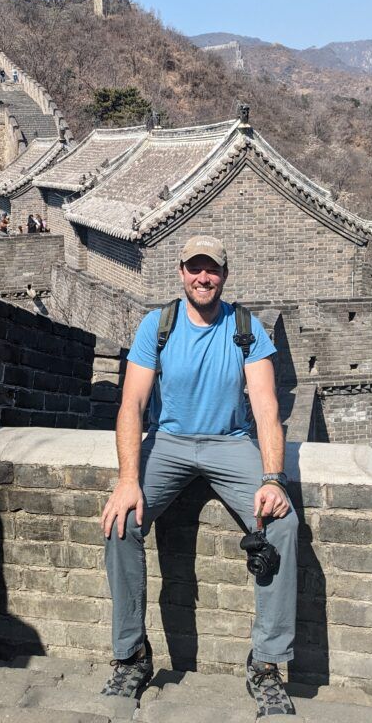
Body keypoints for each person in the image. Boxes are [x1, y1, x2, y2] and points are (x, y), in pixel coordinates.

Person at [100, 235, 298, 717]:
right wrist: (129, 478)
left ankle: (266, 664)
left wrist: (273, 478)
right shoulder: (158, 325)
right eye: (195, 268)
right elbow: (132, 404)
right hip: (168, 443)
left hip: (230, 444)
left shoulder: (246, 328)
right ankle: (132, 655)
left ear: (224, 275)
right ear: (181, 271)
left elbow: (268, 409)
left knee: (283, 524)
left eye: (211, 270)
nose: (202, 277)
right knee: (122, 521)